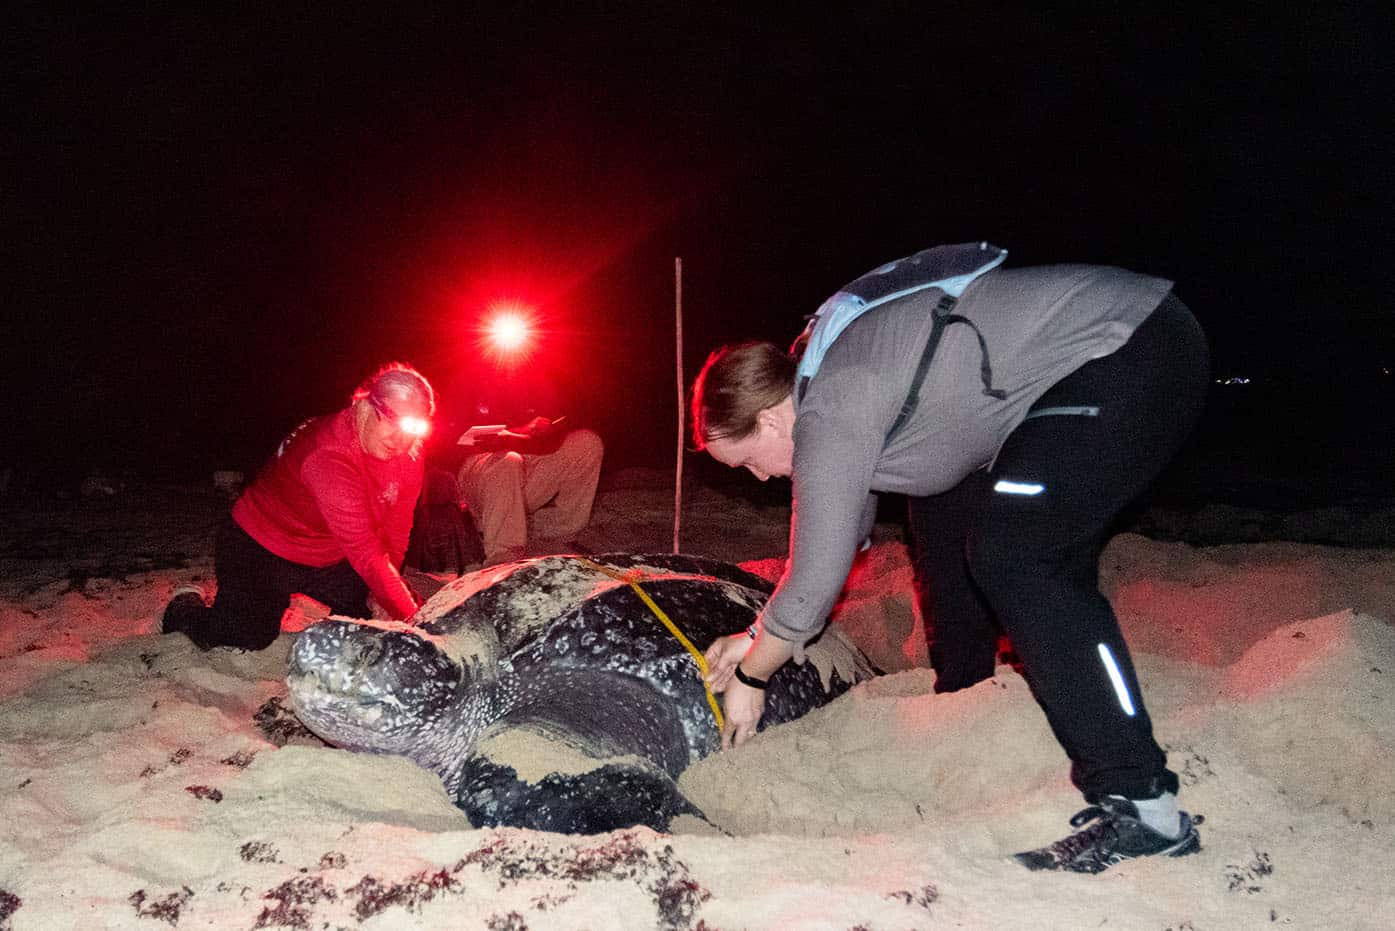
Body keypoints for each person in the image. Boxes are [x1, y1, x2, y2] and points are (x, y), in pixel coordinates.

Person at [691, 242, 1209, 873]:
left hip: (1128, 349)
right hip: (1066, 378)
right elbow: (843, 525)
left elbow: (817, 575)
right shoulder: (826, 385)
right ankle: (965, 696)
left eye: (746, 462)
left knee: (1018, 552)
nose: (761, 479)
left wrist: (752, 676)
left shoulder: (831, 402)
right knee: (938, 518)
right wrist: (755, 634)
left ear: (773, 420)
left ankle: (1143, 802)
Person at [161, 363, 435, 650]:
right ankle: (183, 608)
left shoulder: (410, 455)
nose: (400, 439)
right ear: (366, 405)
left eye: (413, 428)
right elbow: (366, 553)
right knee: (248, 635)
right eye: (392, 420)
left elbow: (396, 531)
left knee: (366, 619)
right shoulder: (327, 454)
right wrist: (414, 621)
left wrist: (386, 599)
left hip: (329, 556)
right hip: (259, 547)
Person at [438, 364, 603, 566]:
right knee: (509, 460)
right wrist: (518, 432)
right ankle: (504, 555)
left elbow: (554, 434)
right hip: (480, 472)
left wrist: (528, 436)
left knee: (587, 443)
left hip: (527, 459)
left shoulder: (538, 378)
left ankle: (556, 529)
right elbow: (447, 440)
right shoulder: (468, 378)